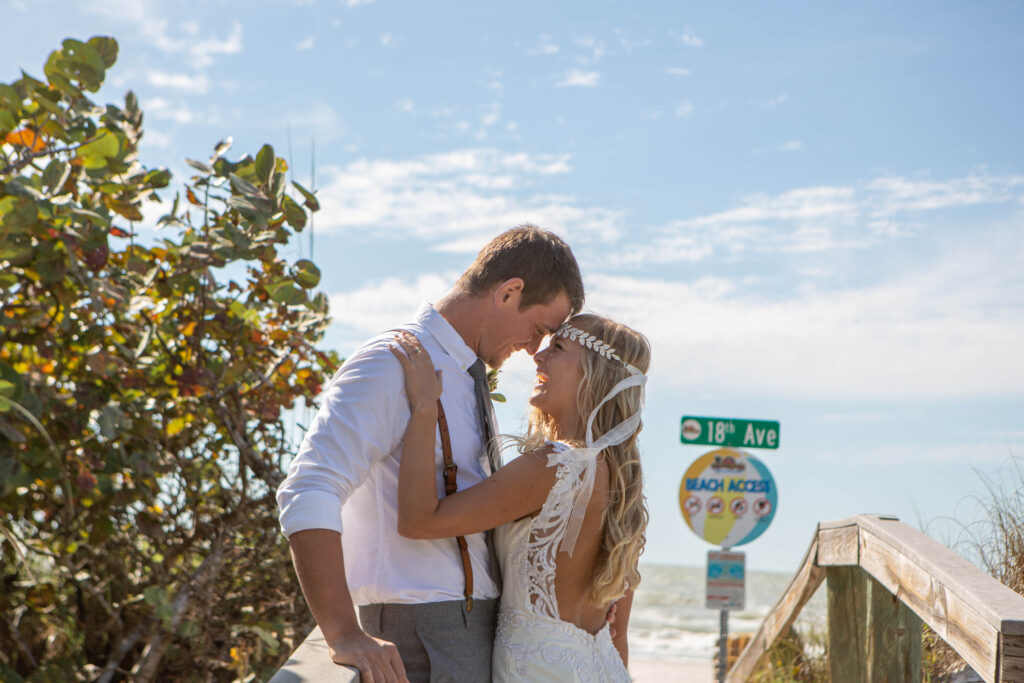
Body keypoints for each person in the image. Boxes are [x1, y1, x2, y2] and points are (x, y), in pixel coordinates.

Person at [276, 225, 584, 682]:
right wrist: (342, 630)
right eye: (538, 329)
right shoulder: (390, 363)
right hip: (418, 636)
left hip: (468, 633)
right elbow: (309, 487)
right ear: (508, 292)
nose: (533, 349)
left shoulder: (464, 374)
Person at [390, 312, 650, 681]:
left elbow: (419, 520)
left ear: (592, 376)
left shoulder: (554, 467)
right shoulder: (625, 488)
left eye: (557, 348)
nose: (538, 357)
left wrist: (424, 407)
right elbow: (617, 636)